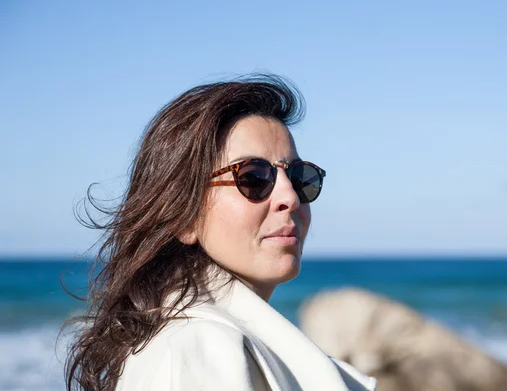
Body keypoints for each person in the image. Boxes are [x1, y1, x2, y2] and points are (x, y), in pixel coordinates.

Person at [64, 74, 377, 391]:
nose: (291, 197)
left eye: (299, 177)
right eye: (254, 177)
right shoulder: (195, 349)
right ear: (182, 217)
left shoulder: (217, 344)